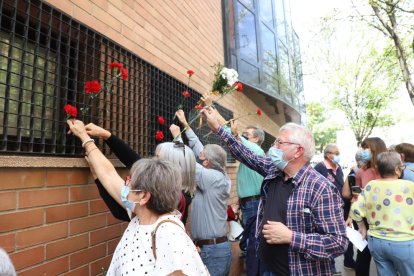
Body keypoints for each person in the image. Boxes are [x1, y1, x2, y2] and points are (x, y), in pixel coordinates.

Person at [201, 108, 348, 276]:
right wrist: (218, 129)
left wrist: (292, 237)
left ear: (298, 151)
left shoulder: (321, 188)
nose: (273, 147)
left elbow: (338, 242)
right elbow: (246, 154)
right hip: (268, 266)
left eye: (279, 142)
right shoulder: (275, 170)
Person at [66, 119, 208, 275]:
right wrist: (86, 139)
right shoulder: (143, 213)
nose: (125, 185)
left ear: (145, 197)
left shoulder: (168, 234)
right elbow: (109, 174)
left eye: (129, 183)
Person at [83, 124, 196, 224]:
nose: (151, 161)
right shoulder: (179, 194)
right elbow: (132, 159)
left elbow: (120, 211)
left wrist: (86, 139)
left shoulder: (167, 198)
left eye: (157, 158)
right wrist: (107, 135)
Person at [172, 110, 232, 276]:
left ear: (207, 162)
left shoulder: (213, 178)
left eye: (203, 157)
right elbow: (198, 146)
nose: (200, 156)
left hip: (214, 253)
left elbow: (186, 161)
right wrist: (185, 124)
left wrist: (177, 137)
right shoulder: (215, 172)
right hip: (208, 249)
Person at [350, 151, 414, 276]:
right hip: (404, 241)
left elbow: (355, 209)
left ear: (378, 169)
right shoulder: (410, 186)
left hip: (377, 242)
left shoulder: (370, 186)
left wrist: (362, 227)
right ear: (397, 169)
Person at [354, 137, 387, 276]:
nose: (362, 151)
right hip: (365, 219)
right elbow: (356, 195)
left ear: (374, 149)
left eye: (365, 147)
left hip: (385, 219)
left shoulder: (388, 169)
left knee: (384, 259)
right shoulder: (361, 171)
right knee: (363, 255)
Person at [314, 144, 348, 272]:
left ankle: (348, 260)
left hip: (340, 206)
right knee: (327, 236)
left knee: (342, 235)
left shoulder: (338, 168)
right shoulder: (319, 168)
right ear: (328, 154)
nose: (338, 155)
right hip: (325, 208)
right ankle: (330, 266)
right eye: (336, 153)